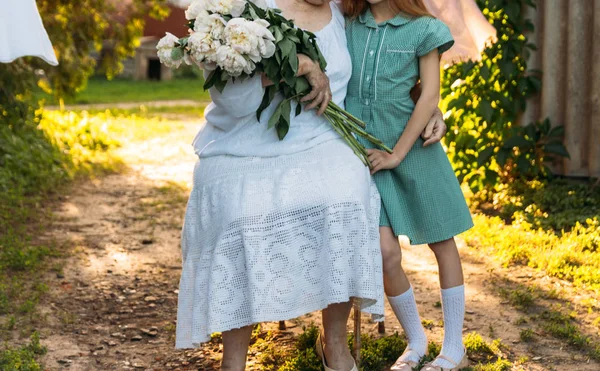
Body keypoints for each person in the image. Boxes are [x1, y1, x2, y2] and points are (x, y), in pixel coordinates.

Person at [175, 0, 447, 370]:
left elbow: (384, 69)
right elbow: (233, 101)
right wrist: (298, 64)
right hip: (246, 140)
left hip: (323, 138)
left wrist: (429, 106)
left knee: (344, 199)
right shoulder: (248, 12)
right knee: (238, 214)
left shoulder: (345, 14)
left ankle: (334, 343)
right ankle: (233, 361)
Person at [342, 0, 474, 370]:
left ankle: (454, 348)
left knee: (442, 241)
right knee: (385, 254)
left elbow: (429, 95)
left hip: (412, 148)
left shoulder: (423, 29)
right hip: (365, 157)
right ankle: (415, 341)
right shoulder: (350, 24)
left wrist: (398, 153)